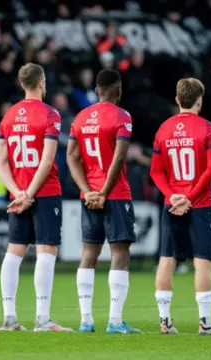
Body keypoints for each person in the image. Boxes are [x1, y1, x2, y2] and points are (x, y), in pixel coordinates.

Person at [0, 63, 71, 332]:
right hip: (45, 191)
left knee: (14, 252)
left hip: (18, 192)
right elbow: (48, 159)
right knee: (46, 251)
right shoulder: (50, 114)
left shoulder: (9, 116)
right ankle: (42, 318)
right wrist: (29, 193)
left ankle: (10, 318)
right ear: (42, 83)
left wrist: (17, 192)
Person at [66, 69, 140, 334]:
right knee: (120, 254)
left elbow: (71, 157)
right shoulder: (122, 116)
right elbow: (119, 157)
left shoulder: (81, 117)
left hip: (89, 197)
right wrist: (105, 192)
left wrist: (88, 191)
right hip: (116, 194)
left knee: (89, 254)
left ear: (97, 91)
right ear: (118, 91)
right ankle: (115, 321)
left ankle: (86, 320)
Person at [149, 78, 211, 335]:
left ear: (178, 100)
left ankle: (165, 321)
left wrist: (172, 196)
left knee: (166, 260)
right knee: (202, 262)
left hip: (172, 205)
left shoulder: (163, 129)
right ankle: (205, 323)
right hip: (200, 204)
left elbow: (155, 172)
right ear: (199, 101)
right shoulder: (208, 129)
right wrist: (190, 197)